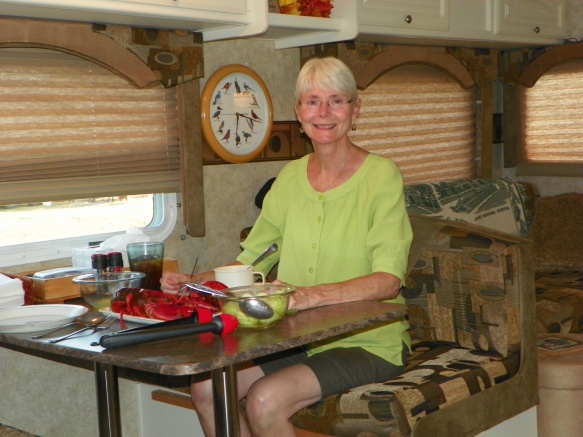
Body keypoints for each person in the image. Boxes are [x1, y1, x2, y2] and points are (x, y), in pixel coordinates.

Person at [161, 57, 413, 437]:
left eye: (336, 100)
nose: (324, 112)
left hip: (367, 341)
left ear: (355, 109)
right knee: (208, 387)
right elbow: (252, 261)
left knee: (265, 399)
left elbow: (388, 282)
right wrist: (192, 282)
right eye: (312, 101)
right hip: (298, 337)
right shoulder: (290, 177)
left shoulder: (382, 176)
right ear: (298, 111)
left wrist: (308, 296)